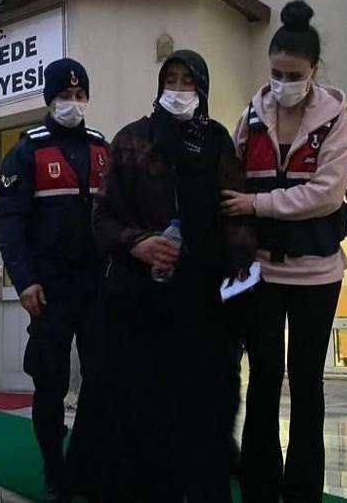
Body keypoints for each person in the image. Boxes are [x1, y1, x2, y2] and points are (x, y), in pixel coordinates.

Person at [71, 49, 255, 502]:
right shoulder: (133, 140)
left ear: (202, 89)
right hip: (142, 304)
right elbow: (102, 219)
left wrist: (240, 288)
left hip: (205, 304)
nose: (178, 90)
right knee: (147, 418)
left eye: (187, 81)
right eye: (170, 80)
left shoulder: (217, 141)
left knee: (209, 414)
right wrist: (138, 243)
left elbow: (237, 218)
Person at [220, 0, 347, 503]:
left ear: (313, 70)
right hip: (263, 272)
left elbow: (326, 194)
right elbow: (231, 175)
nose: (282, 83)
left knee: (306, 381)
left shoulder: (334, 119)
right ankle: (260, 485)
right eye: (275, 73)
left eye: (293, 75)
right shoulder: (252, 115)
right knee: (263, 377)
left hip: (317, 273)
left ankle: (302, 491)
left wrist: (257, 204)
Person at [0, 57, 109, 502]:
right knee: (51, 381)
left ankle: (85, 462)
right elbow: (9, 224)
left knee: (101, 378)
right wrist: (24, 281)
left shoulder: (101, 148)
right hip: (50, 290)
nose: (72, 103)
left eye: (79, 95)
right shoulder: (26, 152)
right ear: (49, 99)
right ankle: (54, 469)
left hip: (96, 287)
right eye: (64, 95)